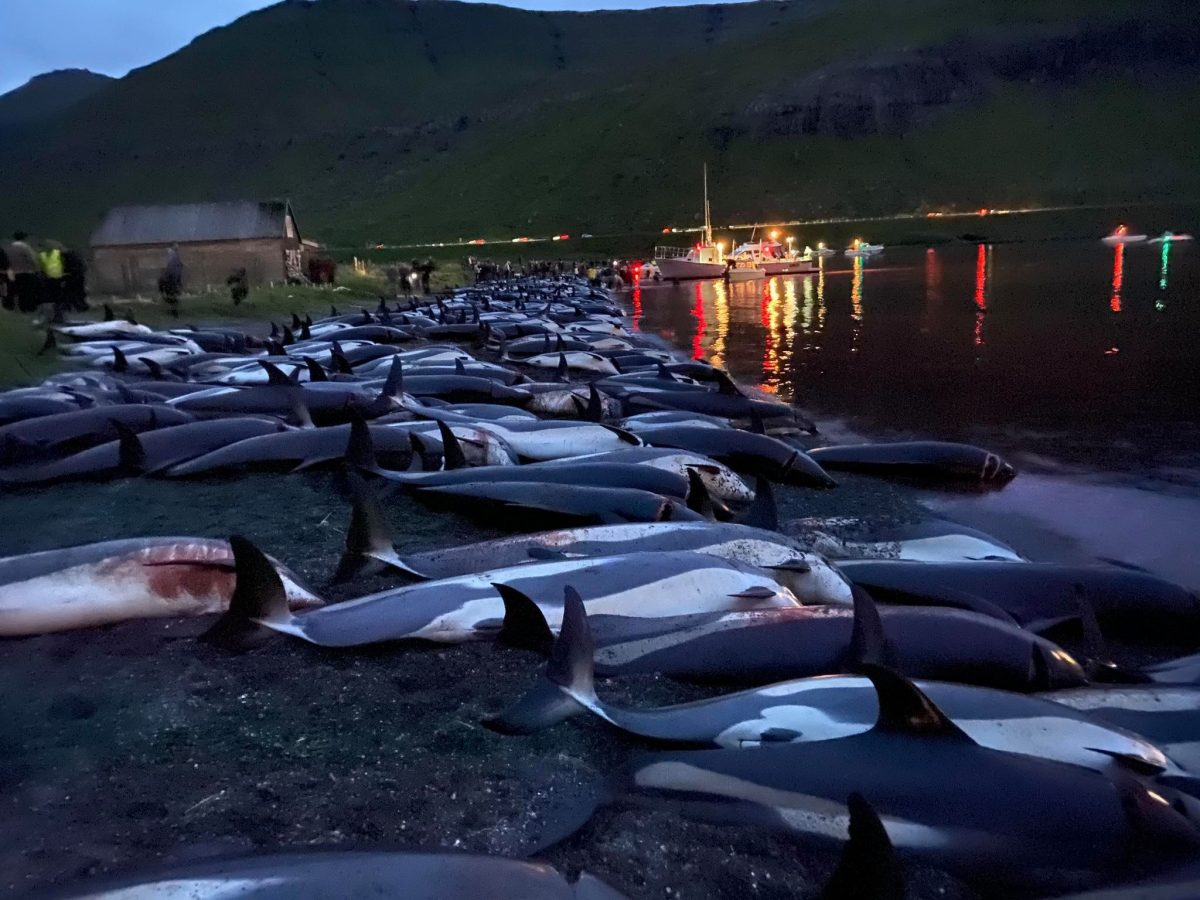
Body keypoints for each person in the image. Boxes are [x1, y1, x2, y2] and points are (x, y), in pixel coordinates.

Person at [7, 232, 40, 312]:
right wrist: (37, 269)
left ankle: (22, 308)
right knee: (28, 291)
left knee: (20, 292)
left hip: (15, 273)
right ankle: (30, 308)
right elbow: (32, 259)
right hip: (27, 273)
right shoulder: (25, 247)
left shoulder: (9, 248)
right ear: (24, 238)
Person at [38, 240, 65, 316]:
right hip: (48, 279)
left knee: (57, 297)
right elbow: (41, 266)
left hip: (57, 278)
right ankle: (51, 313)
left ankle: (58, 313)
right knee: (50, 298)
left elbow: (63, 264)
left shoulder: (58, 253)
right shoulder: (42, 255)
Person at [158, 243, 183, 314]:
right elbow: (170, 264)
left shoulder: (174, 254)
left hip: (173, 275)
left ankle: (173, 308)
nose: (177, 247)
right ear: (172, 246)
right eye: (176, 246)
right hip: (171, 275)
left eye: (178, 246)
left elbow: (176, 264)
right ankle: (172, 308)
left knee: (173, 294)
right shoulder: (171, 253)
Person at [61, 246, 89, 311]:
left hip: (74, 278)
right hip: (76, 278)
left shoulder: (70, 257)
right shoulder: (75, 257)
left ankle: (77, 307)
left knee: (73, 294)